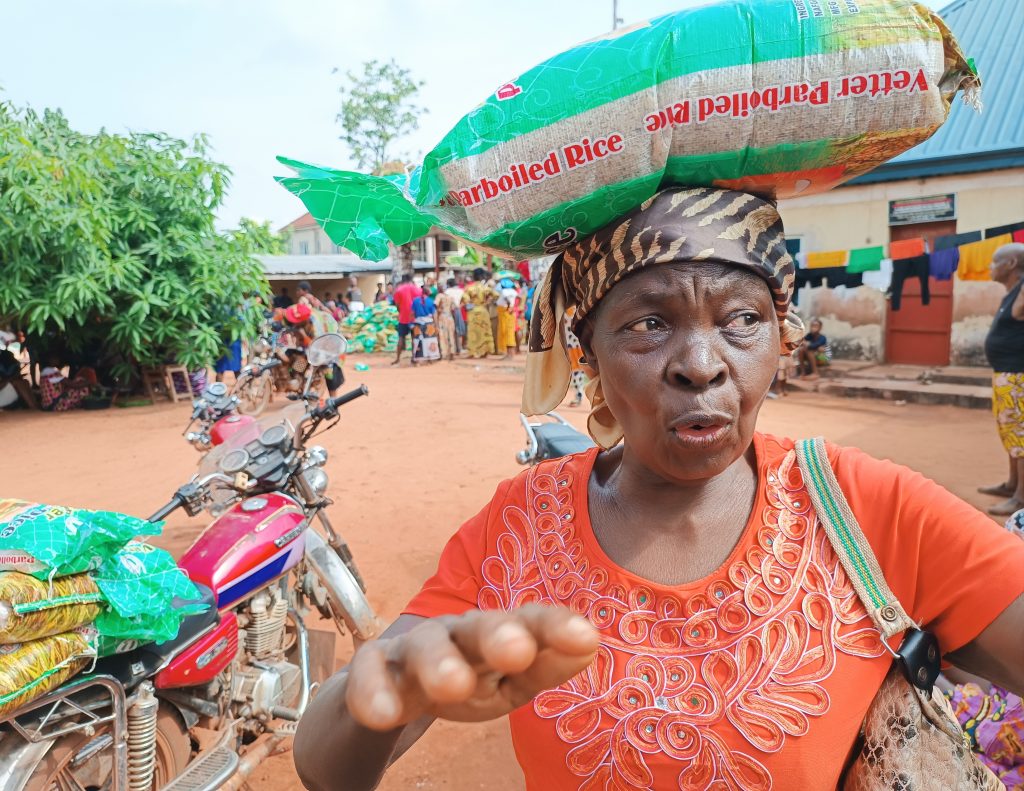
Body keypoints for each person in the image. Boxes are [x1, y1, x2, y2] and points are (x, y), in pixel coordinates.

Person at [294, 188, 1024, 791]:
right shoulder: (518, 527)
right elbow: (325, 768)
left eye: (743, 318)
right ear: (590, 355)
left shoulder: (860, 505)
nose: (701, 364)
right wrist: (381, 690)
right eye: (649, 323)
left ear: (782, 336)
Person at [979, 243, 1024, 516]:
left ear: (1010, 265)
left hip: (1018, 376)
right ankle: (1012, 484)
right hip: (1006, 374)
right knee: (1010, 433)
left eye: (995, 262)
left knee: (1020, 436)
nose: (990, 268)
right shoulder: (1012, 293)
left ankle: (1020, 498)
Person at [283, 303, 345, 396]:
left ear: (304, 320)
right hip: (311, 343)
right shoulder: (299, 323)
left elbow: (316, 344)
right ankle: (299, 381)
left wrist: (303, 335)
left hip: (330, 344)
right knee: (296, 359)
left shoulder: (318, 326)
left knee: (329, 371)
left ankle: (334, 402)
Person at [462, 268, 498, 359]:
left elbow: (465, 300)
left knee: (473, 332)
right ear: (482, 276)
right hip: (483, 310)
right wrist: (487, 301)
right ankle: (485, 351)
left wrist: (471, 302)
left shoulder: (469, 288)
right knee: (485, 332)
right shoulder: (485, 288)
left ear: (473, 276)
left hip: (473, 311)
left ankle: (473, 352)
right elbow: (496, 295)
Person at [392, 274, 421, 366]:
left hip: (403, 318)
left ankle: (397, 358)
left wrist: (401, 312)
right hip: (415, 318)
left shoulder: (399, 290)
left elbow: (397, 305)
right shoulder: (417, 289)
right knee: (414, 338)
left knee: (401, 338)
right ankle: (414, 358)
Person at [411, 288, 441, 363]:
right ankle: (430, 358)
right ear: (428, 293)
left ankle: (417, 359)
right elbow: (434, 314)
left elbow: (412, 313)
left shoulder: (415, 300)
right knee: (430, 340)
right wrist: (436, 325)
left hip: (418, 323)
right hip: (429, 323)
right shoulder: (431, 301)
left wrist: (412, 323)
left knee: (417, 341)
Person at [434, 280, 459, 361]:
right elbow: (454, 308)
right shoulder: (450, 297)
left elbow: (435, 306)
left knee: (442, 336)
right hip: (450, 317)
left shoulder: (439, 296)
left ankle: (443, 353)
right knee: (451, 335)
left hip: (442, 317)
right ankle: (452, 353)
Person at [495, 278, 519, 359]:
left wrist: (509, 306)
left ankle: (510, 354)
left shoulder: (504, 291)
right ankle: (509, 354)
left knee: (506, 333)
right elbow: (519, 298)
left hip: (505, 314)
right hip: (509, 314)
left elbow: (507, 299)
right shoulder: (513, 291)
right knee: (509, 333)